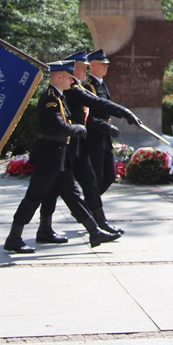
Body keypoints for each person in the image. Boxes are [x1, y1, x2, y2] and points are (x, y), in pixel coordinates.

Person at [3, 61, 119, 253]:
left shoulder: (60, 97)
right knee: (34, 197)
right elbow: (58, 126)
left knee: (73, 194)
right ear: (58, 77)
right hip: (48, 156)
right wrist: (78, 129)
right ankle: (14, 237)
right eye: (68, 76)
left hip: (59, 156)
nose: (71, 79)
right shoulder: (50, 99)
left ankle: (94, 231)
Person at [34, 50, 139, 242]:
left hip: (77, 146)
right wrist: (124, 112)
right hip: (66, 145)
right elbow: (95, 102)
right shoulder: (71, 89)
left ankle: (99, 222)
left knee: (90, 181)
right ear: (72, 68)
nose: (86, 70)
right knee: (55, 188)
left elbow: (95, 103)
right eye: (83, 67)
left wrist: (124, 113)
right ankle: (45, 227)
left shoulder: (76, 87)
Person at [85, 49, 132, 194]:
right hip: (93, 136)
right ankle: (92, 208)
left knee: (110, 175)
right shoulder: (88, 87)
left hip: (104, 136)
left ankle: (90, 205)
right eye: (102, 64)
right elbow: (87, 117)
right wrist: (106, 127)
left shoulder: (102, 85)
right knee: (97, 176)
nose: (106, 66)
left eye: (106, 64)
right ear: (92, 65)